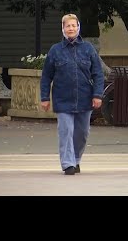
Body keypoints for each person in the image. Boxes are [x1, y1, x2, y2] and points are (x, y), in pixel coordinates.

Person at [40, 14, 104, 175]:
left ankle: (76, 159)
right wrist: (45, 98)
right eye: (67, 26)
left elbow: (97, 73)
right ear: (63, 29)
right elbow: (46, 76)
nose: (71, 29)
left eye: (73, 26)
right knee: (66, 131)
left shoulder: (88, 49)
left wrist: (97, 95)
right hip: (63, 99)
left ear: (78, 27)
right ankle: (67, 164)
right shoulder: (55, 50)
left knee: (82, 133)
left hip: (85, 98)